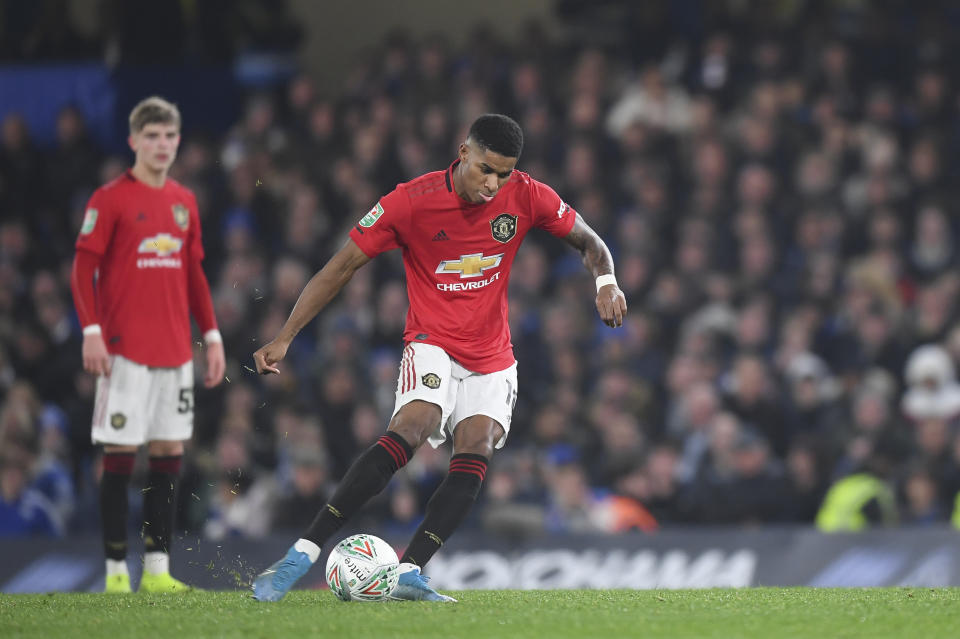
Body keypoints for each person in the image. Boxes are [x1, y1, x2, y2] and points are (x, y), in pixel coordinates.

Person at [251, 113, 627, 601]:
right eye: (486, 169)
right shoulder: (410, 202)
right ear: (463, 152)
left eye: (504, 173)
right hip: (432, 341)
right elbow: (340, 267)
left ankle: (409, 571)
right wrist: (285, 336)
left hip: (492, 354)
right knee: (413, 425)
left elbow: (591, 243)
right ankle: (300, 554)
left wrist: (606, 282)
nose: (493, 184)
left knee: (479, 446)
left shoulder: (529, 195)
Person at [70, 96, 226, 593]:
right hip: (123, 352)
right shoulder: (110, 199)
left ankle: (157, 570)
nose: (162, 145)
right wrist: (91, 330)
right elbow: (82, 267)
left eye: (169, 136)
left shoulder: (184, 202)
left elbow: (193, 273)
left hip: (176, 352)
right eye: (152, 136)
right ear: (133, 140)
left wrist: (212, 335)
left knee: (168, 451)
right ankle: (116, 571)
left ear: (178, 142)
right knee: (119, 453)